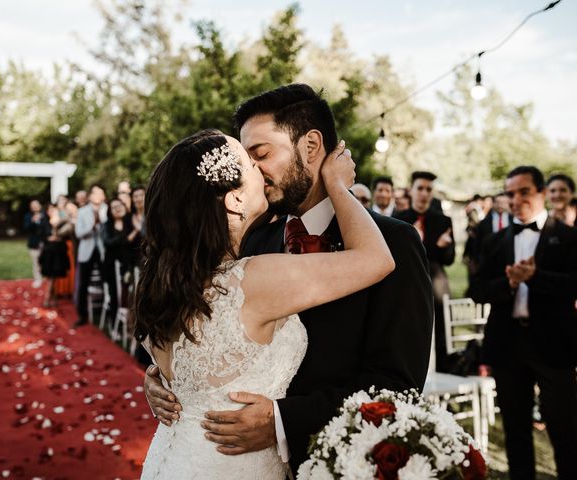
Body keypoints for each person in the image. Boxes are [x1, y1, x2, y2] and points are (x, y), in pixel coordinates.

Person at [144, 84, 433, 474]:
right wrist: (166, 383)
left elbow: (397, 385)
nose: (254, 171)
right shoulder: (250, 242)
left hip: (337, 465)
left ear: (311, 147)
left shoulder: (395, 242)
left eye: (261, 154)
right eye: (246, 160)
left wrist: (283, 421)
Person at [469, 165, 577, 480]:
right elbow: (476, 291)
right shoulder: (494, 241)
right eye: (510, 193)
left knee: (564, 429)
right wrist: (510, 284)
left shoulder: (568, 237)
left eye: (524, 192)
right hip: (508, 345)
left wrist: (536, 277)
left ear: (542, 193)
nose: (516, 199)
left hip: (555, 343)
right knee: (516, 431)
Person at [394, 171, 455, 372]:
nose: (424, 193)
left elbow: (449, 259)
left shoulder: (443, 221)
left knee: (440, 334)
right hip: (408, 284)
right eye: (420, 188)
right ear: (411, 190)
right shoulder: (399, 219)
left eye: (429, 189)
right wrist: (433, 247)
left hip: (436, 284)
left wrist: (443, 247)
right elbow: (398, 257)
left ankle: (444, 374)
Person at [74, 185, 108, 327]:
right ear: (91, 196)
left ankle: (106, 313)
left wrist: (100, 226)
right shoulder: (82, 211)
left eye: (101, 193)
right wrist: (91, 227)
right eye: (96, 193)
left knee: (105, 281)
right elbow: (78, 233)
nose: (99, 195)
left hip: (102, 250)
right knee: (83, 283)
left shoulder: (107, 209)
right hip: (86, 251)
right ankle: (82, 315)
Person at [102, 197, 136, 327]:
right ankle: (113, 324)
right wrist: (127, 237)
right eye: (114, 207)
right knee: (114, 294)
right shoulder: (107, 225)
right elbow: (108, 243)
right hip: (112, 265)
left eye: (119, 205)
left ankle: (129, 322)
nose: (117, 209)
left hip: (128, 264)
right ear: (110, 211)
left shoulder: (130, 222)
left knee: (129, 293)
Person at [39, 203, 71, 307]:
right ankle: (48, 299)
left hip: (58, 253)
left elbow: (64, 236)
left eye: (54, 210)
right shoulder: (44, 223)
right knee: (51, 277)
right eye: (50, 210)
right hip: (49, 254)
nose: (52, 212)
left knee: (55, 277)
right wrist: (51, 238)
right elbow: (43, 237)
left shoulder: (61, 222)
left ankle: (52, 298)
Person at [23, 199, 47, 289]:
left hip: (45, 242)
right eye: (33, 206)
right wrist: (33, 221)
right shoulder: (28, 216)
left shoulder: (45, 214)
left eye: (36, 205)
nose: (35, 207)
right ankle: (38, 279)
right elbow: (26, 228)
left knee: (46, 261)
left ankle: (47, 278)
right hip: (34, 243)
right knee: (36, 262)